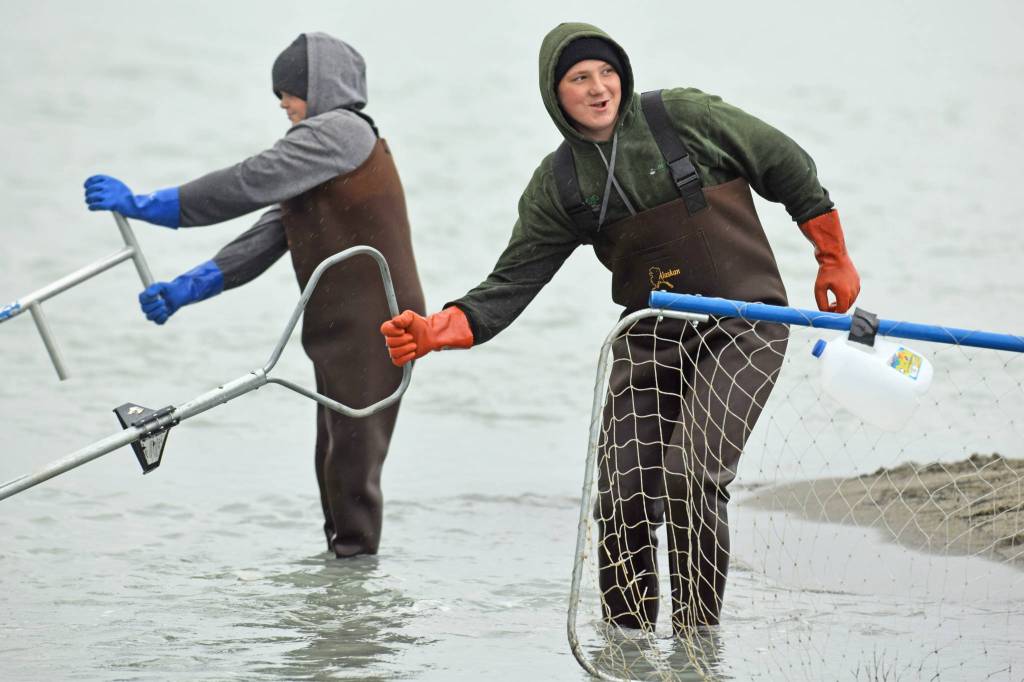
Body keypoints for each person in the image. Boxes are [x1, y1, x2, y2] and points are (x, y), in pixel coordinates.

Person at [379, 23, 859, 630]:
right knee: (624, 496)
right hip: (650, 337)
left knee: (690, 477)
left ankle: (694, 644)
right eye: (580, 78)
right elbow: (512, 284)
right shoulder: (558, 185)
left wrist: (832, 254)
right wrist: (436, 330)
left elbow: (785, 165)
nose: (599, 88)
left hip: (746, 328)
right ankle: (624, 647)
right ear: (556, 95)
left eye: (607, 73)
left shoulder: (684, 117)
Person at [84, 32, 426, 558]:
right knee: (334, 461)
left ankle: (357, 608)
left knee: (353, 469)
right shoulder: (322, 159)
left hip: (380, 328)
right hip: (345, 333)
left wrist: (150, 204)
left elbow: (248, 180)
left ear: (320, 87)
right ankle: (339, 598)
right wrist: (187, 288)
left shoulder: (340, 132)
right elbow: (267, 237)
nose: (284, 105)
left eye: (288, 93)